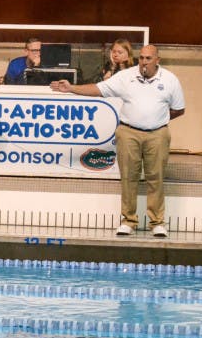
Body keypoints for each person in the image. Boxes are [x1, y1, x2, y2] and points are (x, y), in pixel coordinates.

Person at [50, 44, 185, 237]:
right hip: (128, 132)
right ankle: (128, 221)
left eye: (148, 58)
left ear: (157, 60)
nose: (144, 62)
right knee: (128, 178)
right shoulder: (126, 76)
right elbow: (98, 89)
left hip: (158, 134)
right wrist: (72, 88)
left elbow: (179, 109)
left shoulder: (170, 80)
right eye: (141, 58)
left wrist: (157, 120)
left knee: (156, 178)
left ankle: (157, 222)